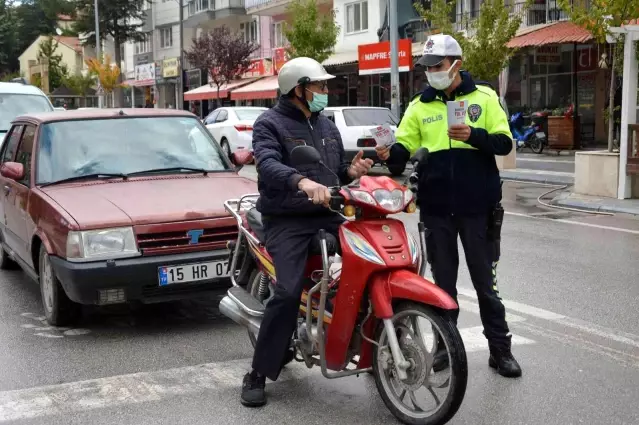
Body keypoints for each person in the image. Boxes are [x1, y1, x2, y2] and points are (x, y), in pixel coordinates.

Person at [376, 34, 522, 378]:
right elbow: (401, 154)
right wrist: (388, 154)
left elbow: (504, 144)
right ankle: (444, 347)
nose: (431, 73)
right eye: (427, 68)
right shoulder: (419, 105)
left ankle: (500, 350)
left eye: (437, 66)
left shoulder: (484, 98)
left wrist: (474, 136)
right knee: (443, 287)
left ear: (456, 64)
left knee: (487, 286)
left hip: (478, 211)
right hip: (437, 211)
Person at [241, 57, 374, 407]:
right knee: (286, 292)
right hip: (287, 219)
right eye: (320, 86)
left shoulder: (326, 125)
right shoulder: (268, 124)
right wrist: (300, 181)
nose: (326, 92)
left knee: (371, 260)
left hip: (326, 213)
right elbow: (268, 164)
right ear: (298, 88)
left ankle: (368, 341)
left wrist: (353, 171)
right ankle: (258, 372)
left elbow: (336, 171)